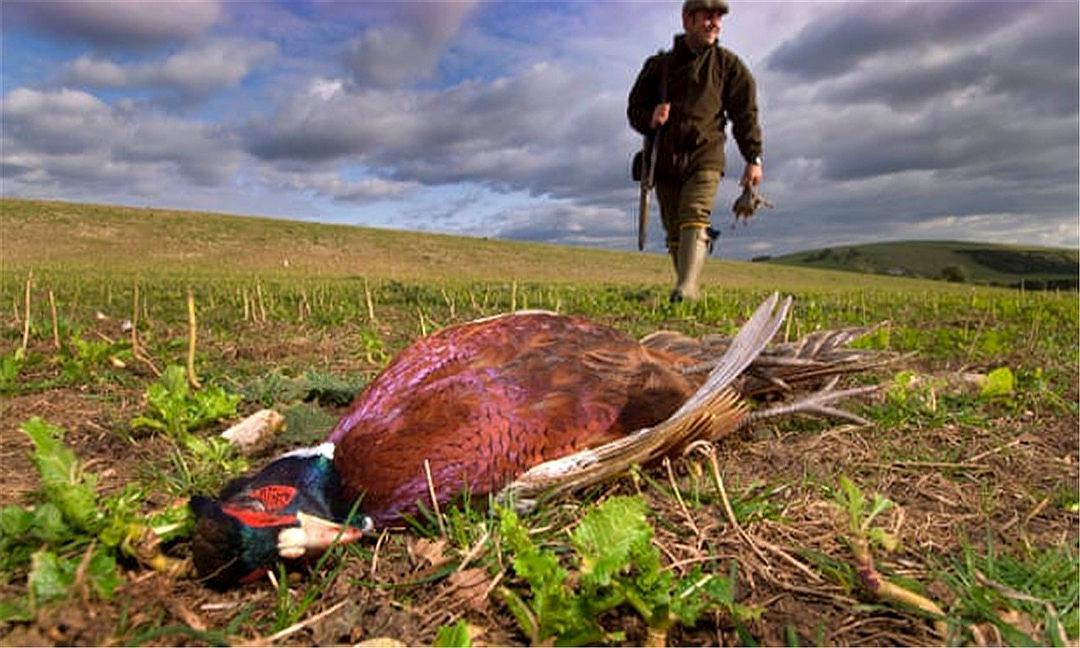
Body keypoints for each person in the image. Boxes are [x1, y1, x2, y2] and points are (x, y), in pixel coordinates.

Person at [628, 0, 764, 302]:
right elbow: (634, 108)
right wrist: (650, 117)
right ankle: (685, 287)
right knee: (673, 227)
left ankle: (687, 287)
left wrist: (752, 157)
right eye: (708, 16)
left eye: (719, 17)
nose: (715, 23)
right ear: (688, 19)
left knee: (694, 213)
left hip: (706, 155)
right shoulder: (658, 66)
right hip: (662, 160)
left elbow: (746, 114)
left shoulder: (729, 66)